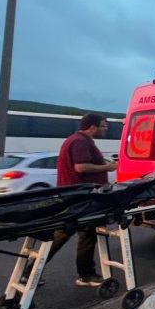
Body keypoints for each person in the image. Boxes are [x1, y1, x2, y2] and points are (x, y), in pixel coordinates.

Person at [43, 114, 117, 287]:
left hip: (76, 197)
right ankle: (86, 275)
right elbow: (81, 167)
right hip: (80, 198)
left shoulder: (78, 140)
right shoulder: (81, 142)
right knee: (81, 234)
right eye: (104, 126)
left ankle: (31, 271)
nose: (106, 129)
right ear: (93, 127)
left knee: (75, 234)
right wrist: (109, 167)